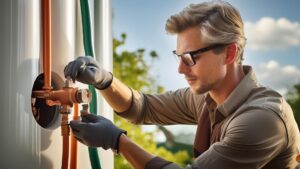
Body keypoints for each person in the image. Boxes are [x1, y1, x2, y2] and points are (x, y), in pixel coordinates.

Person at [64, 1, 300, 169]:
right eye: (179, 57)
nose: (180, 69)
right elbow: (142, 107)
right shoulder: (207, 97)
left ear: (229, 53)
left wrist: (117, 142)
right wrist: (105, 81)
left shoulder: (262, 120)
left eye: (191, 57)